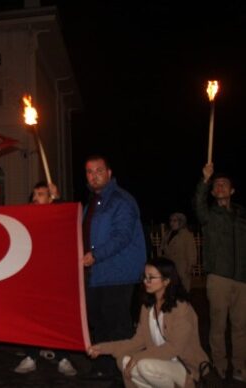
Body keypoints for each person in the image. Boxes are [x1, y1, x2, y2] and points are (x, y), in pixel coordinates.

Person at [88, 257, 208, 388]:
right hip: (160, 361)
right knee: (123, 360)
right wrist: (102, 348)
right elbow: (138, 341)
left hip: (183, 365)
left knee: (144, 365)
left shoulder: (181, 308)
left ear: (166, 281)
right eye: (145, 277)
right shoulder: (147, 307)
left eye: (151, 277)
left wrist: (138, 357)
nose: (146, 281)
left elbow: (175, 348)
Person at [81, 155, 146, 380]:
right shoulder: (92, 203)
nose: (94, 175)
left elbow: (122, 235)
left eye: (99, 170)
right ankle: (103, 366)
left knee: (117, 324)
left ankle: (124, 370)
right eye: (89, 172)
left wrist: (95, 255)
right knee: (98, 321)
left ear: (109, 173)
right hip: (96, 274)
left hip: (117, 273)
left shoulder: (121, 200)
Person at [14, 181, 77, 377]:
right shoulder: (29, 218)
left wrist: (58, 200)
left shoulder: (57, 217)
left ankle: (63, 357)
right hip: (33, 277)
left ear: (50, 198)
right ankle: (31, 356)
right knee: (32, 316)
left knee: (57, 317)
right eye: (34, 194)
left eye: (40, 194)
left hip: (55, 277)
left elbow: (69, 217)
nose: (35, 198)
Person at [194, 164, 246, 381]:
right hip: (218, 278)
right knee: (218, 325)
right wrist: (205, 181)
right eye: (217, 185)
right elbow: (198, 203)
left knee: (241, 326)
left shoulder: (243, 215)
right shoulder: (209, 216)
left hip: (242, 279)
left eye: (224, 184)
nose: (221, 186)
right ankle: (220, 364)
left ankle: (240, 367)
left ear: (232, 191)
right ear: (213, 192)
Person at [160, 213, 196, 291]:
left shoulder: (186, 234)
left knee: (182, 292)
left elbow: (191, 252)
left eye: (175, 220)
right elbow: (162, 249)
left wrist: (190, 267)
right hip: (169, 268)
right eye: (170, 220)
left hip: (182, 268)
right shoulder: (167, 234)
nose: (172, 223)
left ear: (181, 221)